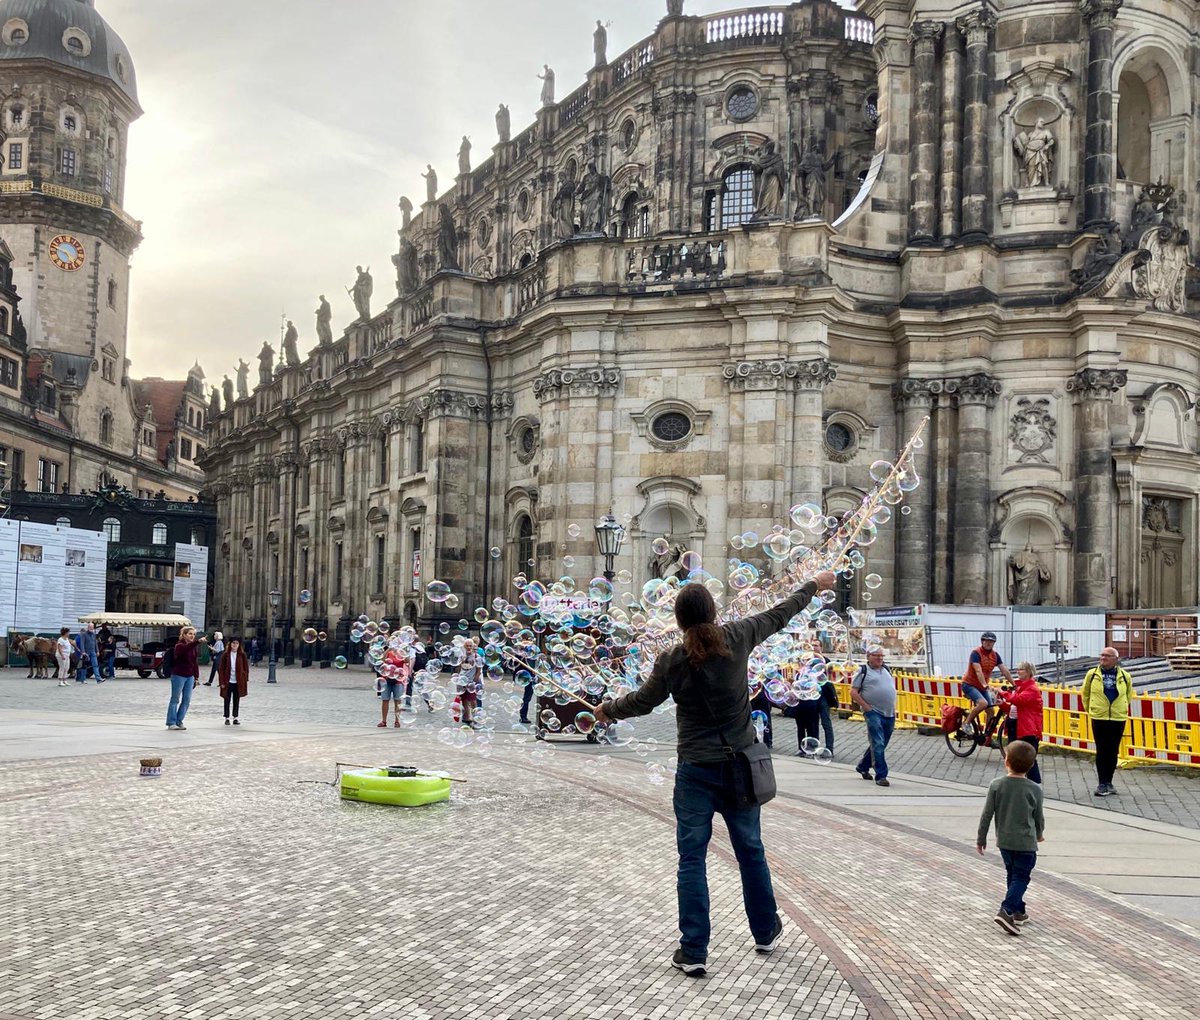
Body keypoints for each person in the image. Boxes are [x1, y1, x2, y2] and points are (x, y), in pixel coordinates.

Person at [596, 568, 836, 977]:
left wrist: (607, 711)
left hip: (695, 771)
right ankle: (764, 930)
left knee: (691, 859)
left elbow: (642, 702)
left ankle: (693, 951)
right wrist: (815, 584)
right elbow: (782, 613)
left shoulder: (672, 659)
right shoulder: (738, 636)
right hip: (740, 767)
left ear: (679, 620)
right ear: (712, 613)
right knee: (750, 851)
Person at [976, 740, 1045, 935]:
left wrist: (981, 838)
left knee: (1012, 874)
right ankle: (1006, 909)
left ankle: (1018, 910)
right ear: (1031, 765)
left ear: (1006, 761)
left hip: (1005, 841)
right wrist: (1039, 834)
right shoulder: (1034, 789)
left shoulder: (996, 785)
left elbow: (987, 814)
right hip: (1025, 841)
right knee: (1022, 876)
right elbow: (1038, 816)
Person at [1081, 647, 1133, 797]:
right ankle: (1102, 783)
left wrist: (1122, 708)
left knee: (1113, 750)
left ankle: (1109, 782)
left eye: (1107, 656)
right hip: (1099, 717)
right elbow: (1085, 694)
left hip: (1117, 717)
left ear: (1115, 659)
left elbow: (1128, 695)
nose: (1103, 658)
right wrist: (1092, 710)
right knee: (1102, 750)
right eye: (1102, 655)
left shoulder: (1124, 676)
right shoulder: (1092, 674)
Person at [850, 648, 896, 786]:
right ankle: (881, 776)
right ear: (868, 656)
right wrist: (867, 707)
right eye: (877, 656)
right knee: (878, 743)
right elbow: (853, 691)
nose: (880, 658)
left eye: (882, 656)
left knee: (882, 743)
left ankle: (863, 766)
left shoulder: (887, 669)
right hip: (873, 712)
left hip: (889, 713)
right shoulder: (863, 671)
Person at [962, 631, 1012, 740]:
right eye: (987, 641)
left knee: (991, 710)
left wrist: (1014, 684)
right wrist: (985, 685)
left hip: (982, 686)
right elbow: (978, 671)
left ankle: (987, 737)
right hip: (969, 684)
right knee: (983, 703)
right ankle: (966, 723)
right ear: (982, 641)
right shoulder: (975, 653)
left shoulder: (995, 655)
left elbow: (1004, 671)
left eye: (991, 641)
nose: (989, 643)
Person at [1005, 662, 1044, 785]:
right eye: (1017, 669)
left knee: (1028, 758)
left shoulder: (1032, 689)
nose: (1018, 671)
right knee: (1014, 757)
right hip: (1015, 725)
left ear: (1028, 671)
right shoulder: (1020, 687)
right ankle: (1017, 783)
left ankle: (1035, 784)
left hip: (1027, 729)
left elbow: (1018, 701)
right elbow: (1013, 706)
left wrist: (1003, 693)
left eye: (1021, 669)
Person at [165, 627, 201, 731]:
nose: (192, 636)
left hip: (190, 676)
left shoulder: (193, 647)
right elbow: (186, 649)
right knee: (175, 699)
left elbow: (195, 663)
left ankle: (179, 721)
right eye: (190, 634)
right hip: (178, 675)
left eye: (193, 634)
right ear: (184, 635)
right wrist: (198, 642)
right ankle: (171, 722)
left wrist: (196, 676)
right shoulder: (179, 645)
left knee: (186, 700)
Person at [217, 637, 248, 725]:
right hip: (228, 680)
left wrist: (245, 678)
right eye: (233, 643)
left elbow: (246, 668)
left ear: (239, 645)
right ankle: (226, 717)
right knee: (226, 699)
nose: (235, 645)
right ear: (230, 644)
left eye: (236, 643)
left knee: (236, 699)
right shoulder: (225, 655)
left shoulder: (242, 655)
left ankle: (235, 717)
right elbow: (221, 668)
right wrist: (221, 681)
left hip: (238, 681)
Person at [378, 646, 411, 728]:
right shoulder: (389, 653)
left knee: (397, 701)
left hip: (398, 680)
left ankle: (397, 721)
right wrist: (389, 649)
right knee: (385, 700)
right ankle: (384, 721)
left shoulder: (401, 654)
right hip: (386, 679)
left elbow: (407, 661)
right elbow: (382, 659)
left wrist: (404, 652)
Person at [456, 640, 482, 728]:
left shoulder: (477, 657)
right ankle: (467, 719)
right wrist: (457, 681)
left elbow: (479, 671)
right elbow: (459, 669)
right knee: (464, 701)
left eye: (470, 646)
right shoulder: (461, 657)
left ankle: (476, 720)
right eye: (467, 646)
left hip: (471, 682)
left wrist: (474, 682)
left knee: (473, 701)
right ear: (464, 646)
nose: (469, 647)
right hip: (461, 681)